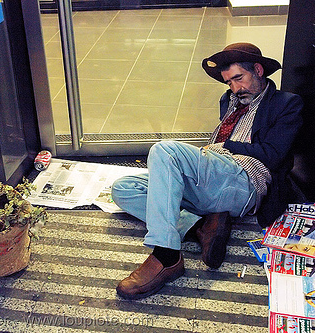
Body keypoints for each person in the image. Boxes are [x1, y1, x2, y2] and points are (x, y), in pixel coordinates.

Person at [111, 42, 303, 300]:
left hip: (243, 180)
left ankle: (167, 255)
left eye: (239, 78)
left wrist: (224, 145)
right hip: (213, 178)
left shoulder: (286, 103)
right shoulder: (230, 100)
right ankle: (201, 226)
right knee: (123, 188)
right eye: (229, 83)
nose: (235, 88)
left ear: (258, 70)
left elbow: (274, 154)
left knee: (165, 151)